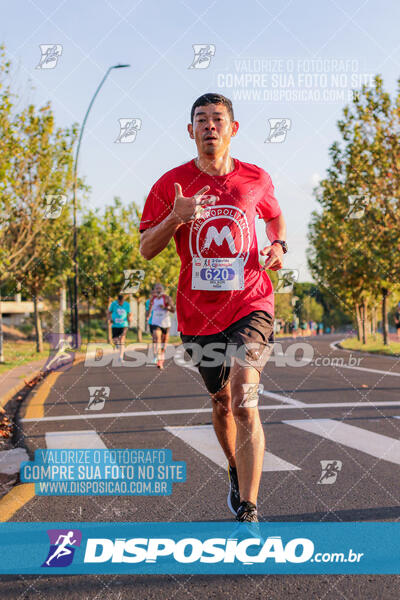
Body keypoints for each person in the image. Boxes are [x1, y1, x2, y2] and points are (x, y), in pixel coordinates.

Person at [139, 93, 286, 523]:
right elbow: (148, 248)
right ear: (190, 130)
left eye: (218, 119)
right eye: (200, 120)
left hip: (252, 301)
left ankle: (249, 508)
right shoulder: (170, 185)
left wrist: (277, 243)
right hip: (197, 312)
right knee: (222, 402)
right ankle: (235, 467)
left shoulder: (255, 178)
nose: (209, 126)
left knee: (244, 399)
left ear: (233, 129)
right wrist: (175, 218)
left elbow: (275, 216)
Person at [147, 283, 175, 369]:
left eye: (160, 289)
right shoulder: (152, 299)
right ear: (154, 290)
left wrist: (165, 307)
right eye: (157, 289)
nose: (158, 290)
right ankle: (157, 356)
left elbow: (173, 310)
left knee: (164, 343)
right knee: (157, 338)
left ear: (162, 290)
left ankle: (161, 360)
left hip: (165, 323)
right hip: (156, 322)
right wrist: (147, 316)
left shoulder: (167, 298)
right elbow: (150, 310)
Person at [107, 294, 132, 362]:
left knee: (122, 339)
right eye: (120, 301)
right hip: (115, 325)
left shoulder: (127, 305)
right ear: (118, 300)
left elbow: (129, 313)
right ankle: (117, 345)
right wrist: (110, 319)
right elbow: (109, 312)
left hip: (124, 325)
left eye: (122, 301)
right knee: (115, 340)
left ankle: (121, 357)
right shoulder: (113, 304)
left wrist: (129, 318)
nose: (121, 303)